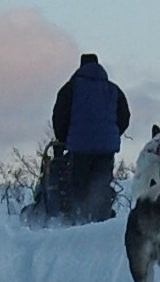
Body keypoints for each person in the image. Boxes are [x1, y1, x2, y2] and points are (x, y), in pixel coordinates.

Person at [51, 52, 130, 224]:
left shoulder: (70, 88)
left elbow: (59, 115)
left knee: (78, 186)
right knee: (100, 186)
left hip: (79, 149)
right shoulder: (113, 90)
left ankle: (79, 220)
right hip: (105, 149)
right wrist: (111, 134)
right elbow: (124, 117)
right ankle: (100, 221)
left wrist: (65, 138)